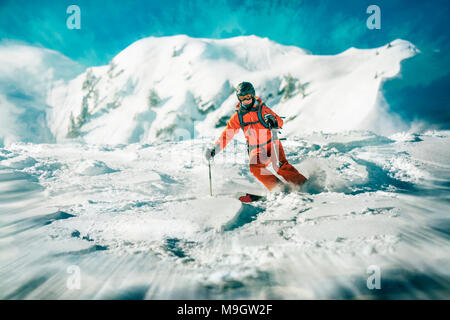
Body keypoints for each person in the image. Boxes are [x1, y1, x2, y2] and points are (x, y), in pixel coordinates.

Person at [205, 82, 307, 194]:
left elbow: (280, 121)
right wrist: (215, 150)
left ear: (252, 95)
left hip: (271, 143)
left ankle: (303, 185)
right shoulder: (238, 117)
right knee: (255, 167)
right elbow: (227, 135)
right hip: (256, 148)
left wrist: (273, 121)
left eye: (248, 97)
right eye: (242, 98)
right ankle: (279, 189)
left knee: (280, 166)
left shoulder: (262, 110)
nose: (246, 100)